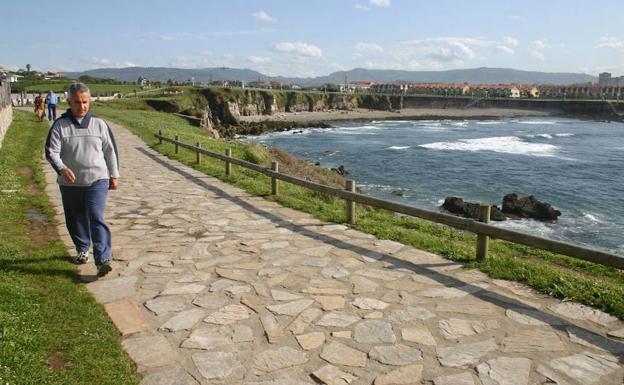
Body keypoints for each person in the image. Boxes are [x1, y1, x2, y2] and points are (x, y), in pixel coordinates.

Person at [45, 82, 120, 277]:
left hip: (97, 179)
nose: (82, 106)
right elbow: (51, 151)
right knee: (75, 218)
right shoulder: (60, 125)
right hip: (70, 183)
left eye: (85, 102)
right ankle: (82, 248)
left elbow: (110, 151)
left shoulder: (99, 124)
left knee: (96, 216)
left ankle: (103, 259)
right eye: (77, 102)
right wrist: (61, 168)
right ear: (69, 102)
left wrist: (114, 175)